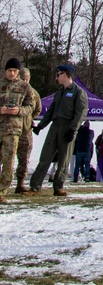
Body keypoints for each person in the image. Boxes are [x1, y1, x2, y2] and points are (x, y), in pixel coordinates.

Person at [28, 64, 89, 197]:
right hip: (55, 126)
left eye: (59, 74)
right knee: (45, 157)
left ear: (66, 75)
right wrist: (40, 126)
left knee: (63, 159)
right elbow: (51, 111)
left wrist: (73, 129)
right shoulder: (59, 93)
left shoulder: (79, 92)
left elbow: (81, 112)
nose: (57, 77)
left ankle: (58, 187)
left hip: (68, 127)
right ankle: (35, 187)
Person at [0, 59, 34, 201]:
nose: (12, 73)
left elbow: (31, 106)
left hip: (13, 130)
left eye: (14, 70)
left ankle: (2, 191)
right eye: (9, 70)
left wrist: (19, 110)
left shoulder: (25, 87)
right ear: (5, 71)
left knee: (9, 162)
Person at [15, 67, 41, 195]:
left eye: (27, 78)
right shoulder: (13, 90)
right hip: (11, 129)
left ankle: (20, 184)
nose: (25, 80)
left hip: (26, 131)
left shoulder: (34, 93)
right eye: (22, 78)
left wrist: (29, 118)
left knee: (24, 158)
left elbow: (37, 109)